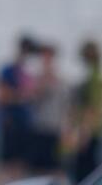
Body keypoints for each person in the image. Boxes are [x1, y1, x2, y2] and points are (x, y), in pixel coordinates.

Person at [0, 35, 37, 185]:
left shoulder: (26, 72)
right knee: (5, 163)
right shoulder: (9, 70)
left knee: (19, 164)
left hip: (23, 123)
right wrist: (21, 96)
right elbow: (2, 95)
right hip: (12, 122)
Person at [25, 43, 69, 180]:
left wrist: (66, 129)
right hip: (38, 128)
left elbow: (66, 107)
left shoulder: (61, 81)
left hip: (54, 129)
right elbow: (32, 98)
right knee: (37, 170)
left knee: (55, 169)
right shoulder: (36, 78)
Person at [68, 39, 102, 182]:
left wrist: (84, 132)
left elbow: (92, 106)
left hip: (88, 132)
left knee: (84, 173)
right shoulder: (97, 75)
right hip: (94, 130)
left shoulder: (94, 78)